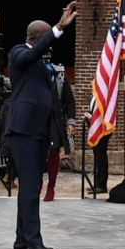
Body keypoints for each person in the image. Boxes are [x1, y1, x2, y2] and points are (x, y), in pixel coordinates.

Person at [5, 1, 77, 249]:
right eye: (44, 38)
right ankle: (35, 243)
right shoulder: (18, 53)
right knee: (31, 186)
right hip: (23, 132)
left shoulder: (41, 63)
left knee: (30, 187)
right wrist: (58, 27)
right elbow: (33, 54)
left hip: (38, 133)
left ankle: (21, 240)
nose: (49, 47)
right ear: (35, 38)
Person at [42, 53, 76, 202]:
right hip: (37, 120)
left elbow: (69, 101)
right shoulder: (31, 70)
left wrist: (70, 122)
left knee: (54, 154)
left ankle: (51, 187)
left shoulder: (59, 72)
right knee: (36, 154)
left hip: (54, 120)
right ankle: (36, 183)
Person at [85, 96, 111, 194]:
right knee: (97, 156)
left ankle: (101, 185)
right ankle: (97, 183)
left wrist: (93, 117)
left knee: (101, 156)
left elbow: (103, 111)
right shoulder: (95, 93)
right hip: (95, 127)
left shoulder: (103, 93)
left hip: (102, 129)